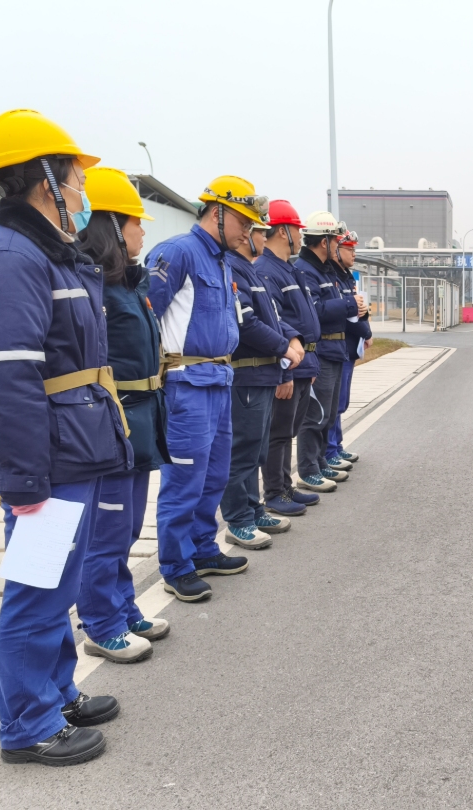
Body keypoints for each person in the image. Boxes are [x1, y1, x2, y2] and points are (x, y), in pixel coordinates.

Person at [0, 109, 132, 765]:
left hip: (72, 447)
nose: (84, 192)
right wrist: (25, 479)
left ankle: (54, 693)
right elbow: (7, 380)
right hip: (48, 459)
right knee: (36, 592)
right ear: (46, 182)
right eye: (76, 179)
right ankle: (28, 724)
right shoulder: (10, 260)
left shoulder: (45, 254)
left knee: (57, 585)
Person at [146, 176, 268, 602]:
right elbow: (147, 316)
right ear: (217, 213)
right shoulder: (178, 252)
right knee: (184, 480)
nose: (247, 232)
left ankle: (201, 549)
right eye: (242, 222)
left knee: (214, 476)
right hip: (186, 384)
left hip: (218, 380)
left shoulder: (220, 260)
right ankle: (176, 566)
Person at [75, 167, 171, 664]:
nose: (143, 233)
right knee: (106, 531)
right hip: (112, 423)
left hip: (140, 419)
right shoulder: (93, 285)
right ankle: (101, 623)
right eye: (136, 222)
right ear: (112, 225)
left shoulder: (129, 283)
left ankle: (122, 607)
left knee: (128, 526)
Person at [220, 220, 305, 549]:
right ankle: (238, 519)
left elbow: (273, 318)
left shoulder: (250, 270)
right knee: (241, 452)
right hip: (248, 375)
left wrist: (290, 337)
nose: (263, 238)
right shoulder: (234, 269)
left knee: (256, 451)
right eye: (259, 231)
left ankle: (253, 510)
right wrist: (284, 346)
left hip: (263, 374)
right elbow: (247, 322)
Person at [255, 200, 323, 514]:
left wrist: (309, 364)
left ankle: (285, 486)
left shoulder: (288, 269)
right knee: (278, 433)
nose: (300, 237)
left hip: (301, 362)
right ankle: (274, 493)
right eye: (297, 230)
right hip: (287, 362)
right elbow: (274, 321)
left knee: (288, 432)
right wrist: (286, 369)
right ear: (283, 231)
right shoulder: (267, 270)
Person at [295, 212, 365, 491]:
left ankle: (321, 460)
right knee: (315, 415)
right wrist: (349, 305)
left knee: (328, 414)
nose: (339, 244)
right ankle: (308, 469)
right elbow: (314, 310)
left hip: (336, 348)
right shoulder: (306, 271)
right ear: (324, 241)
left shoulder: (326, 270)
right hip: (322, 349)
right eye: (336, 240)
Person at [326, 228, 372, 471]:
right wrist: (366, 332)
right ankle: (330, 450)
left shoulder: (346, 277)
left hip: (348, 347)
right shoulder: (332, 276)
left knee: (340, 401)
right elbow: (346, 314)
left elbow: (360, 309)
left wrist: (366, 328)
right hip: (338, 345)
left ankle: (337, 445)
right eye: (349, 249)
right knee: (334, 404)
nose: (354, 254)